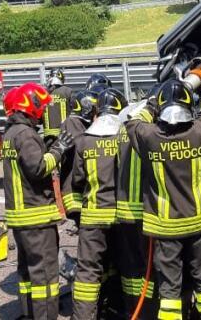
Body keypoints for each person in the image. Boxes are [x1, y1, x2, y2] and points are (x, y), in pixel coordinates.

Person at [129, 79, 201, 320]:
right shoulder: (200, 132)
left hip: (166, 229)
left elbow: (132, 122)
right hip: (198, 224)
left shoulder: (149, 137)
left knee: (169, 288)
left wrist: (151, 104)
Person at [1, 83, 74, 320]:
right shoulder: (25, 134)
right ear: (29, 106)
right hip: (36, 218)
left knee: (27, 275)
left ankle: (29, 314)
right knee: (45, 278)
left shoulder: (11, 133)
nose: (42, 113)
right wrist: (59, 150)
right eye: (40, 107)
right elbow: (38, 168)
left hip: (21, 219)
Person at [68, 88, 128, 320]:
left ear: (96, 111)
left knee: (88, 275)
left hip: (93, 217)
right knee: (124, 268)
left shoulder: (84, 141)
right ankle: (120, 310)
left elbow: (77, 180)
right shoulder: (125, 137)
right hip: (123, 217)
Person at [116, 85, 157, 317]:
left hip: (123, 211)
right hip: (144, 212)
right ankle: (148, 311)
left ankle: (132, 310)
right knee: (148, 269)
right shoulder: (150, 133)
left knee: (130, 268)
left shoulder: (123, 128)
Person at [60, 89, 100, 214]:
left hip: (83, 186)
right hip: (73, 190)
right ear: (86, 108)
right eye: (94, 108)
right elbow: (81, 145)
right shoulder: (72, 122)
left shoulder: (82, 123)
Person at [43, 69, 74, 140]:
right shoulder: (68, 91)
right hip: (64, 135)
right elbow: (76, 110)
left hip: (47, 137)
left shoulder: (43, 93)